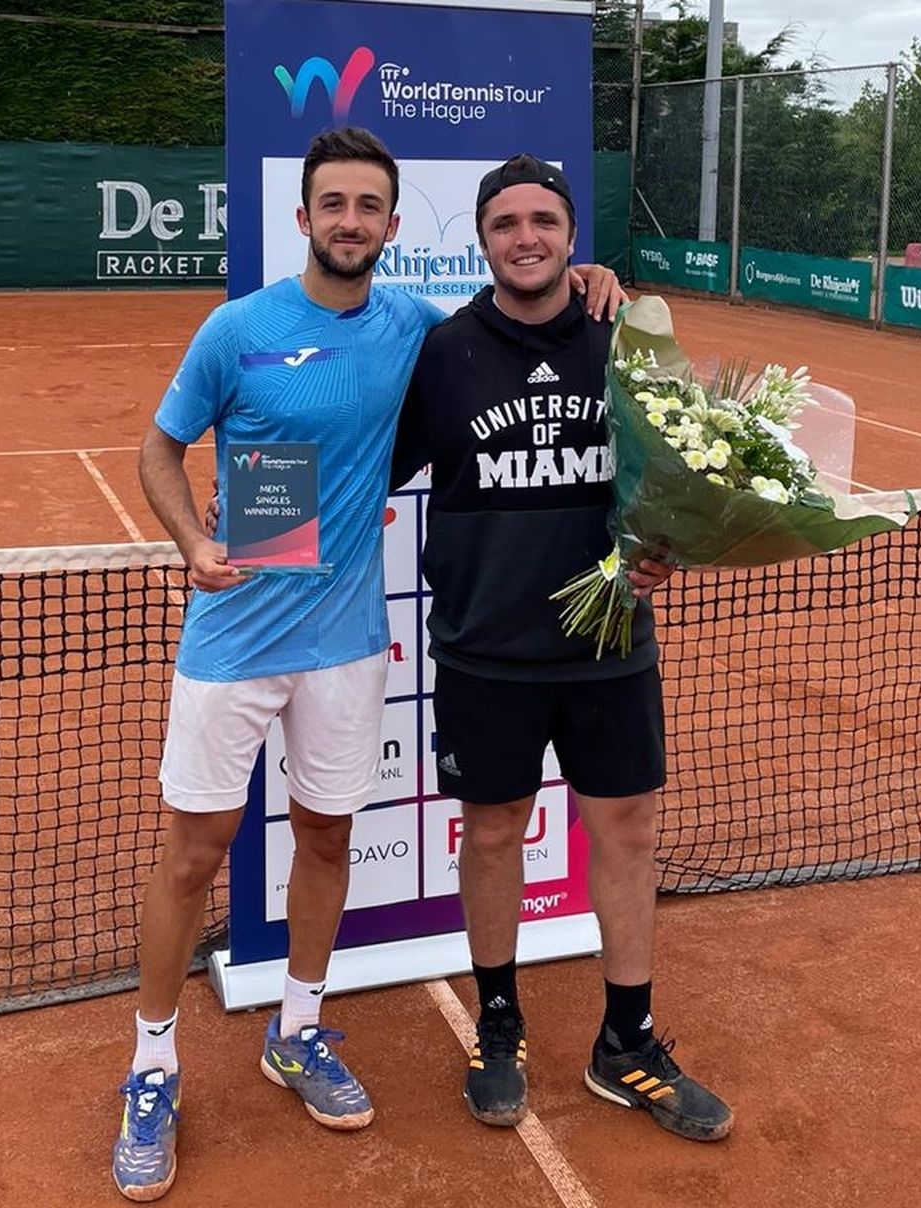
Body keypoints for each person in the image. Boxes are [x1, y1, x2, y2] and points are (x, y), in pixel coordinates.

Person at [114, 128, 623, 1202]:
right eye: (331, 203)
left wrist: (591, 278)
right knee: (192, 854)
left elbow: (519, 320)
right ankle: (150, 1063)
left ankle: (298, 1028)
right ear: (302, 218)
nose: (350, 221)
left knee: (326, 837)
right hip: (234, 638)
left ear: (394, 226)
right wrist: (193, 543)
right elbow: (161, 447)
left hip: (346, 642)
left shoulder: (421, 334)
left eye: (369, 207)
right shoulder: (237, 327)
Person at [390, 154, 735, 1142]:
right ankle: (497, 1020)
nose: (525, 236)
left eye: (543, 219)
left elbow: (676, 476)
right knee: (492, 831)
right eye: (505, 222)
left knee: (623, 829)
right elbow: (362, 462)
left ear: (572, 237)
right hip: (484, 647)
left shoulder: (626, 342)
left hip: (610, 643)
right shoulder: (444, 352)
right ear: (483, 240)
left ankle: (626, 1040)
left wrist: (666, 541)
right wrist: (246, 508)